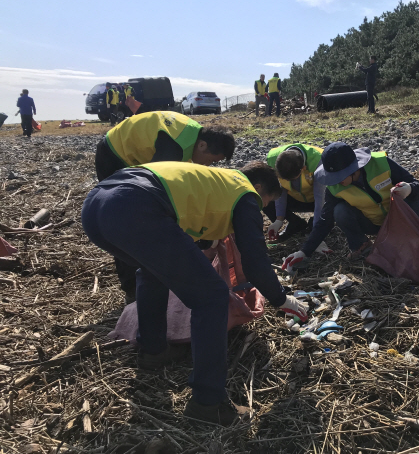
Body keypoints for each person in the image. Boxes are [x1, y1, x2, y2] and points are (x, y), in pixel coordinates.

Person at [81, 161, 307, 424]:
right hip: (135, 205)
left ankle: (153, 350)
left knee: (153, 271)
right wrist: (281, 298)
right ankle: (208, 404)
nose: (262, 208)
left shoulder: (217, 181)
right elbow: (254, 261)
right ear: (258, 188)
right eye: (266, 202)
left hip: (97, 207)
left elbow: (186, 218)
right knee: (212, 297)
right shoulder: (246, 194)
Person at [95, 111, 236, 304]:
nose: (208, 166)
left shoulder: (192, 138)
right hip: (114, 154)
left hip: (135, 157)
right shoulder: (173, 148)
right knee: (128, 223)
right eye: (211, 160)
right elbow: (156, 193)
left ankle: (152, 275)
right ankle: (132, 288)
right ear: (202, 145)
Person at [282, 142, 419, 270]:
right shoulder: (334, 188)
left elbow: (416, 185)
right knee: (340, 211)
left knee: (417, 203)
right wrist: (305, 251)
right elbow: (325, 221)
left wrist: (409, 189)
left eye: (339, 177)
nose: (336, 182)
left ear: (353, 169)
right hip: (372, 223)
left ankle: (402, 240)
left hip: (397, 221)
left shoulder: (381, 163)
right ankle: (361, 246)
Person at [265, 143, 325, 242]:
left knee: (333, 204)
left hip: (315, 201)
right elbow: (280, 190)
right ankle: (295, 224)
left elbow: (320, 198)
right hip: (295, 199)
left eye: (292, 179)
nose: (288, 183)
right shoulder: (272, 159)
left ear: (303, 168)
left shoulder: (318, 160)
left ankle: (315, 224)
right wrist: (279, 220)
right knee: (266, 197)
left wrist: (317, 233)